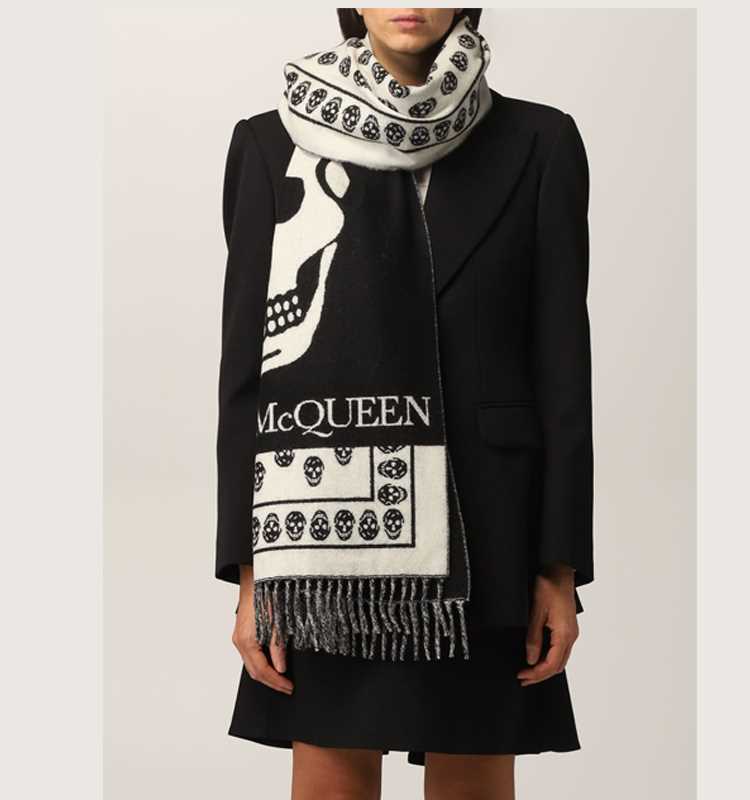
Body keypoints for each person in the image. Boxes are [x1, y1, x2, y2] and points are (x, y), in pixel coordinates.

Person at [215, 8, 593, 799]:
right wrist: (251, 575)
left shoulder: (540, 141)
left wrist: (558, 567)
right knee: (331, 780)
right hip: (321, 541)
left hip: (488, 531)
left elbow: (562, 366)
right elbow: (247, 373)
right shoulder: (269, 145)